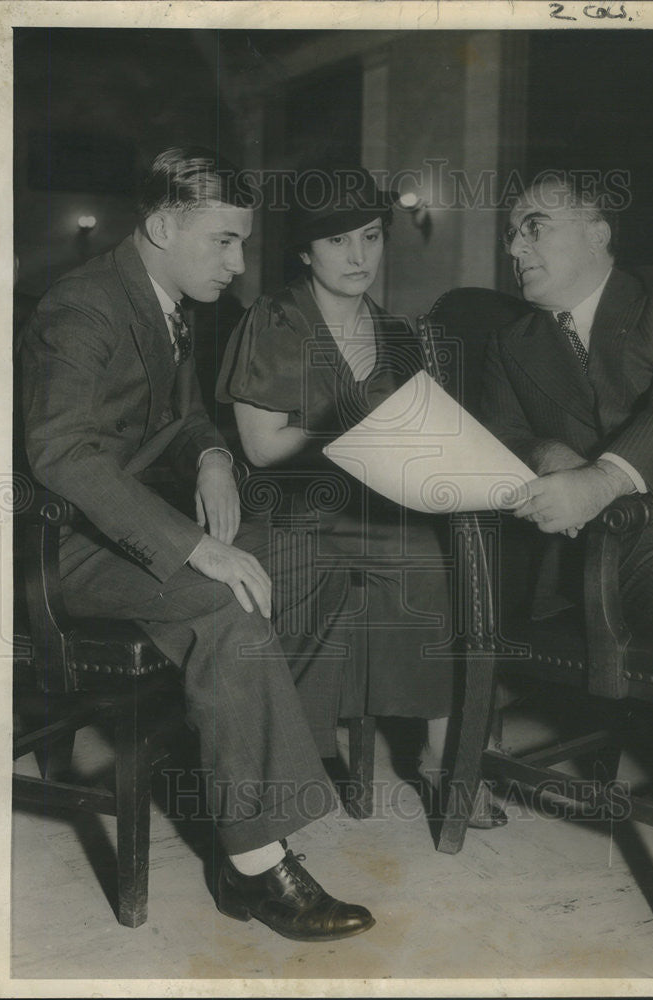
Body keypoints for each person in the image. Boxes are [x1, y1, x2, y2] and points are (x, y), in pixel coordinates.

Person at [20, 146, 377, 941]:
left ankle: (241, 771)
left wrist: (213, 456)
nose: (238, 261)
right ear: (159, 226)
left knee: (313, 562)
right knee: (226, 600)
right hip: (66, 546)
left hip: (134, 523)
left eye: (243, 242)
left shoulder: (163, 299)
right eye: (223, 241)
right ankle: (253, 866)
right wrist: (192, 548)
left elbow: (182, 418)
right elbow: (60, 455)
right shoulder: (81, 307)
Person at [216, 164, 504, 826]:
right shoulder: (274, 319)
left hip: (371, 512)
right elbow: (259, 447)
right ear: (305, 250)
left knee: (443, 563)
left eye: (370, 238)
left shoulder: (398, 335)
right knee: (392, 564)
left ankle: (442, 754)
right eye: (339, 241)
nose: (357, 257)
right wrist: (356, 425)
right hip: (289, 517)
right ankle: (296, 760)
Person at [481, 172, 653, 755]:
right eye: (510, 236)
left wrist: (603, 477)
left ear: (597, 233)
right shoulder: (511, 345)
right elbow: (501, 432)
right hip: (635, 547)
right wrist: (550, 454)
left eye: (534, 228)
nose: (514, 248)